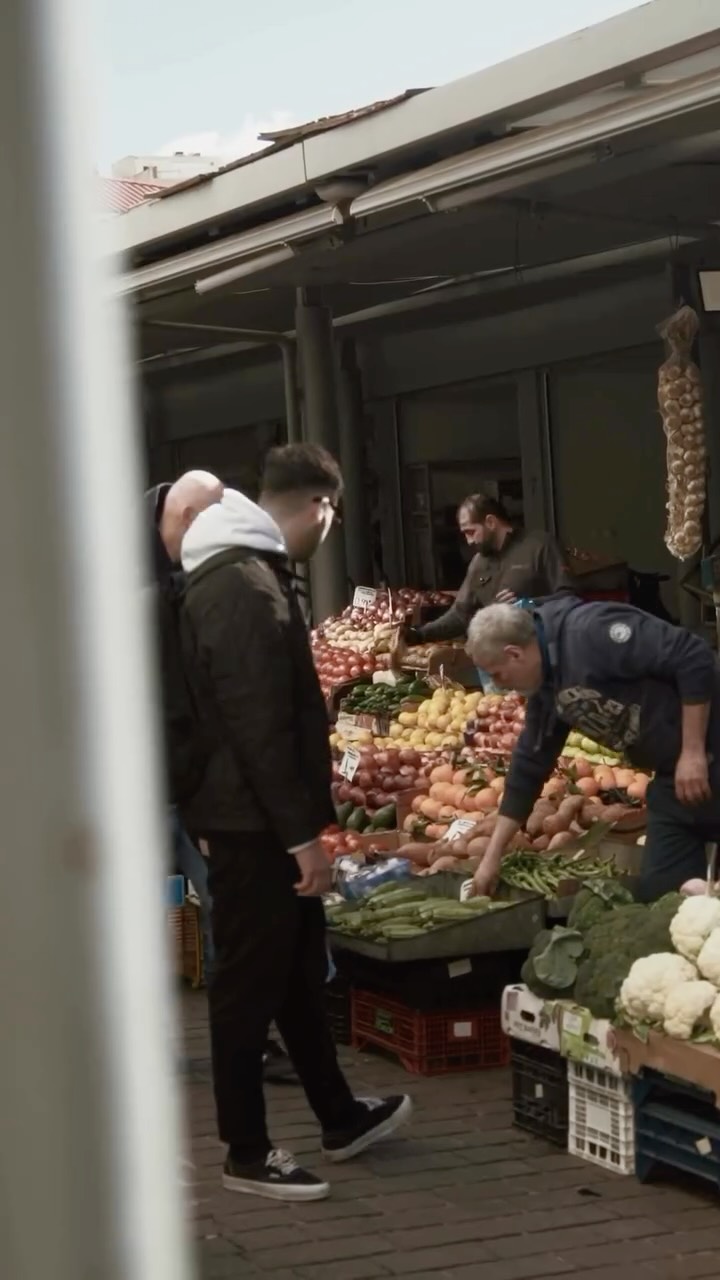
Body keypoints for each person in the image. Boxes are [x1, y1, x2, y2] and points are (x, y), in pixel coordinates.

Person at [178, 443, 412, 1201]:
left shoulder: (246, 575)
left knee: (294, 978)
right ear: (321, 505)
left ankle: (339, 1115)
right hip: (255, 827)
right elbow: (256, 725)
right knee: (249, 985)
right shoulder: (245, 586)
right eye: (333, 514)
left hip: (253, 818)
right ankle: (246, 1150)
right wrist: (300, 837)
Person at [464, 597, 720, 904]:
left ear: (514, 654)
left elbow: (693, 656)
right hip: (673, 777)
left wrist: (692, 752)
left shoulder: (591, 633)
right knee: (659, 897)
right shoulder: (545, 688)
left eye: (497, 675)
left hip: (703, 751)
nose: (500, 686)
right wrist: (492, 858)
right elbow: (528, 766)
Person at [401, 495, 571, 646]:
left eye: (471, 532)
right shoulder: (478, 563)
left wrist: (527, 605)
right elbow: (460, 616)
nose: (468, 541)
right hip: (496, 661)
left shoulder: (539, 546)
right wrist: (420, 634)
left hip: (541, 653)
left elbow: (569, 598)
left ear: (490, 522)